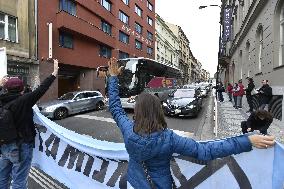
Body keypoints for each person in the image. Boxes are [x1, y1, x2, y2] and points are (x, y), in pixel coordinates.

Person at [107, 58, 275, 189]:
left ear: (137, 111)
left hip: (136, 183)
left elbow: (115, 107)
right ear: (158, 111)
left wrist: (113, 78)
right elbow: (206, 151)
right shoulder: (168, 138)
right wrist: (247, 141)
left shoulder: (128, 130)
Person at [0, 59, 59, 189]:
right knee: (19, 181)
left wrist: (1, 84)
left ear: (6, 89)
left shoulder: (2, 100)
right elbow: (42, 89)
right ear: (22, 89)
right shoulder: (24, 101)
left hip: (4, 146)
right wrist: (54, 72)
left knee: (3, 178)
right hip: (21, 146)